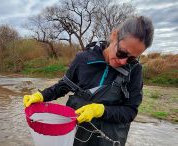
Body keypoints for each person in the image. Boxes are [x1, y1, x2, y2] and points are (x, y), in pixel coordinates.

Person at [23, 16, 154, 146]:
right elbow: (63, 85)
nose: (123, 61)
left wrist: (101, 110)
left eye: (131, 59)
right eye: (122, 53)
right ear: (114, 35)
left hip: (108, 139)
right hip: (77, 135)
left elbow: (130, 112)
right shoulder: (83, 59)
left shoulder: (135, 70)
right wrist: (41, 95)